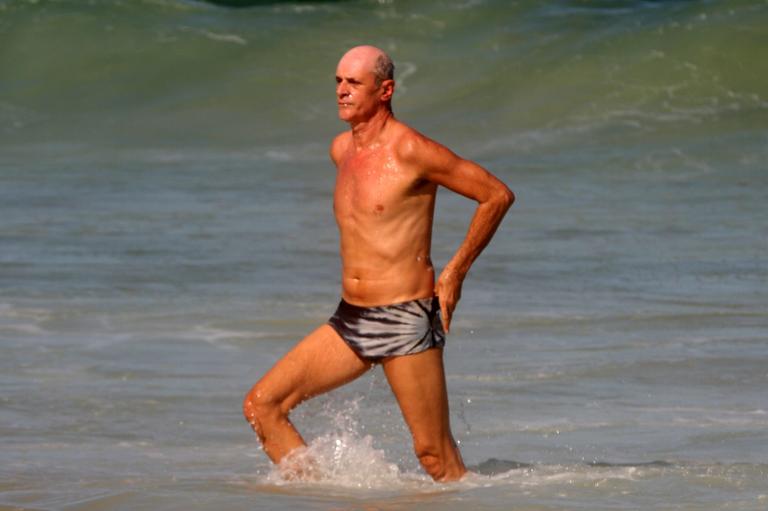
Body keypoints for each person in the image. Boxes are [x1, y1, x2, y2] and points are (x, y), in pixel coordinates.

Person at [243, 45, 514, 482]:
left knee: (434, 458)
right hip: (350, 318)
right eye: (338, 82)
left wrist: (455, 272)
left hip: (405, 317)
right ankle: (319, 500)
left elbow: (496, 195)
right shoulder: (340, 150)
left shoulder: (412, 150)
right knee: (262, 407)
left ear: (385, 90)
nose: (342, 91)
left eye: (354, 83)